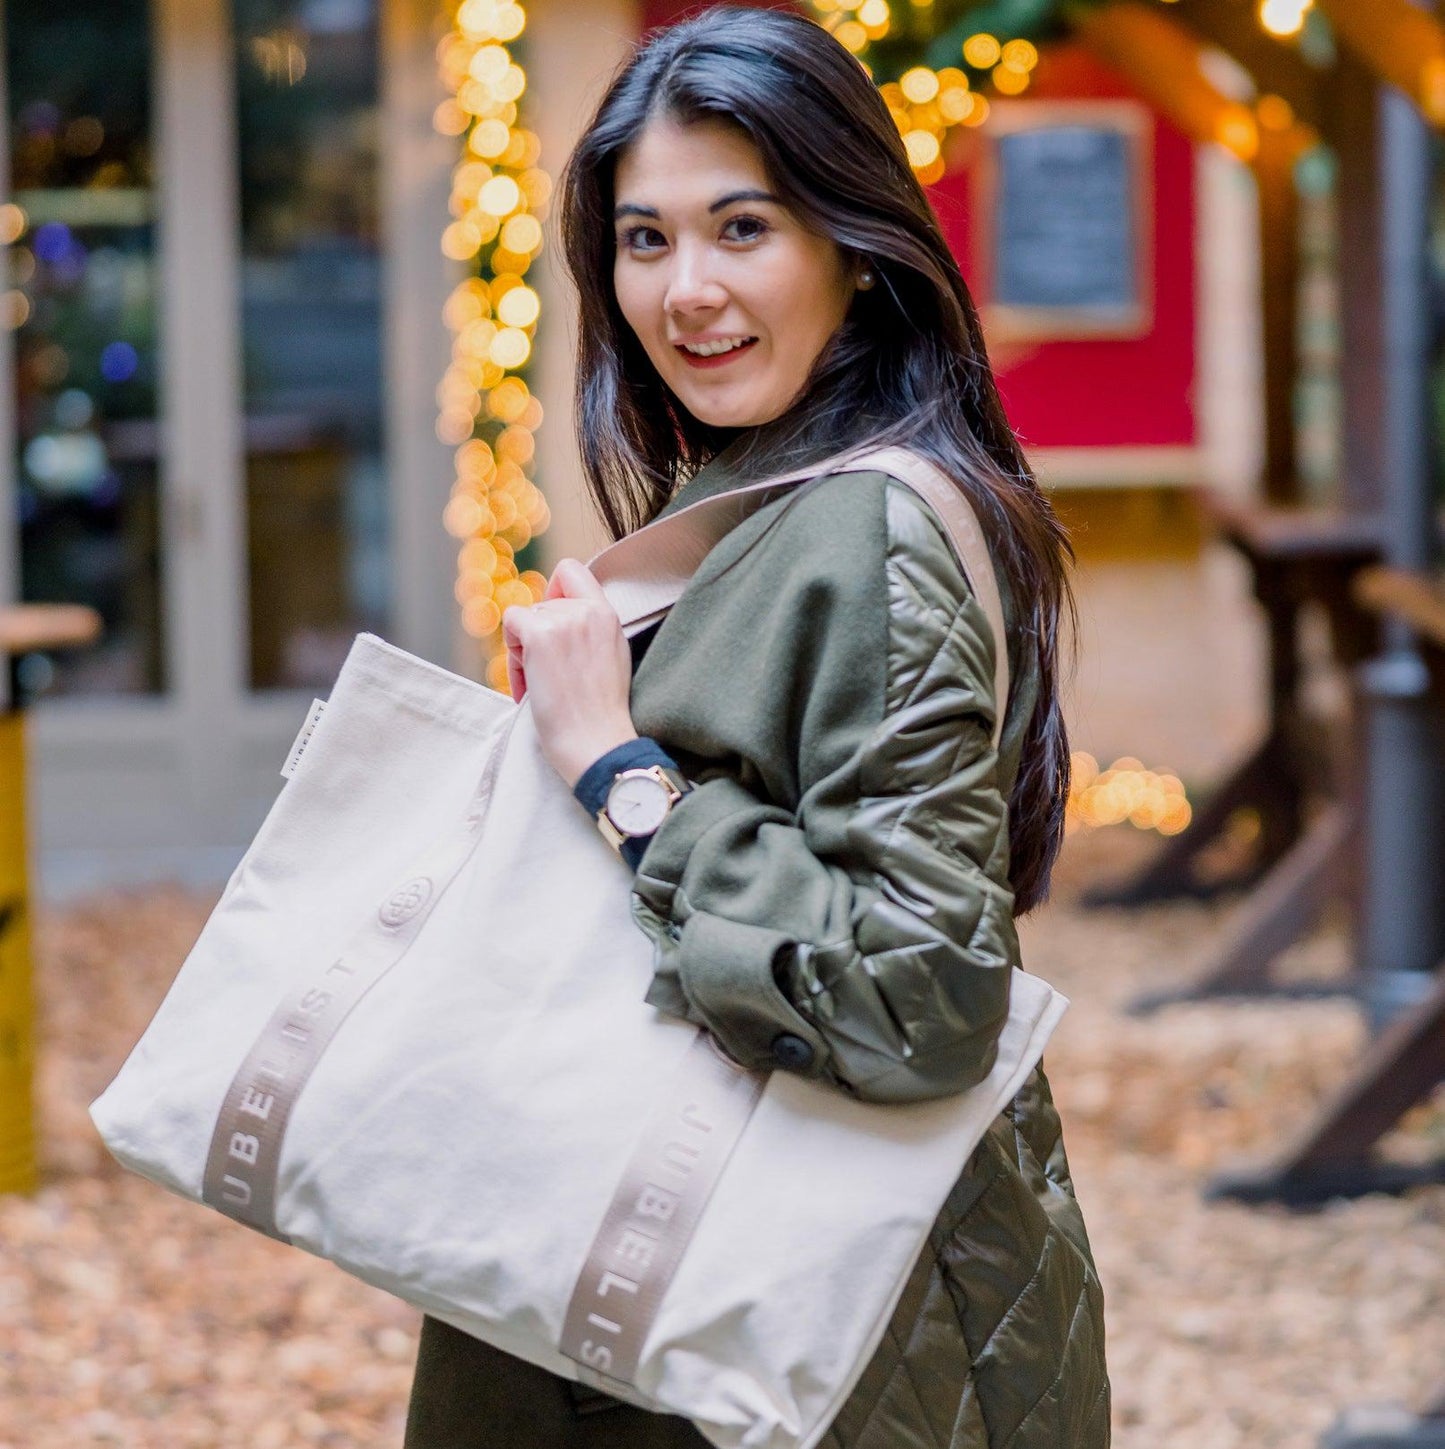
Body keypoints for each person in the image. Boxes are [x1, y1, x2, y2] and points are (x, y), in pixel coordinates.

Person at [404, 7, 1109, 1447]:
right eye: (645, 239)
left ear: (853, 246)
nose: (687, 291)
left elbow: (920, 999)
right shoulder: (745, 497)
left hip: (825, 1342)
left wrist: (620, 770)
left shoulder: (872, 525)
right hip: (697, 1297)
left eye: (742, 228)